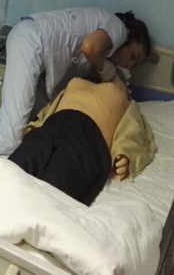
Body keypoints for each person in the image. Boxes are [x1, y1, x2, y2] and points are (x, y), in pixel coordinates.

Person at [0, 8, 150, 155]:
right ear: (129, 36)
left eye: (135, 64)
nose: (129, 64)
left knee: (40, 116)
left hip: (34, 44)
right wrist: (109, 71)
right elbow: (89, 47)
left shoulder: (104, 43)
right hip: (33, 42)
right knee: (10, 136)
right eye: (133, 56)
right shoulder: (118, 27)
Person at [8, 73, 156, 206]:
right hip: (52, 126)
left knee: (53, 191)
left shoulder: (124, 98)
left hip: (87, 137)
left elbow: (133, 129)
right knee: (11, 171)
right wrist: (35, 127)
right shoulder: (76, 82)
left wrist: (125, 154)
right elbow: (49, 109)